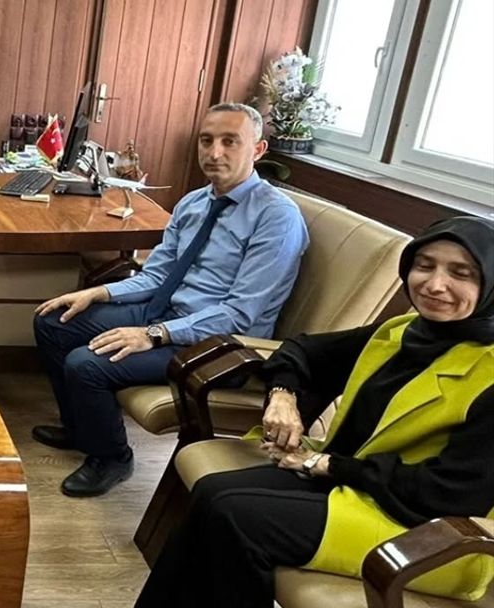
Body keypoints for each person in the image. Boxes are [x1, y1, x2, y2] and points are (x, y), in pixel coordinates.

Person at [136, 216, 494, 608]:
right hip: (367, 487)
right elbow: (304, 349)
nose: (435, 284)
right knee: (211, 492)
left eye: (461, 273)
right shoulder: (405, 330)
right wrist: (283, 396)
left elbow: (449, 493)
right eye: (424, 265)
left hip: (437, 533)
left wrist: (326, 465)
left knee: (234, 514)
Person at [32, 103, 309, 497]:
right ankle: (80, 429)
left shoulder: (277, 217)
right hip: (166, 311)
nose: (215, 152)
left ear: (258, 149)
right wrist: (98, 292)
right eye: (206, 141)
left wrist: (154, 334)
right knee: (53, 321)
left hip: (221, 343)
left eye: (230, 142)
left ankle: (111, 458)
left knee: (86, 364)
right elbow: (158, 275)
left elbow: (239, 314)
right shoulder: (194, 202)